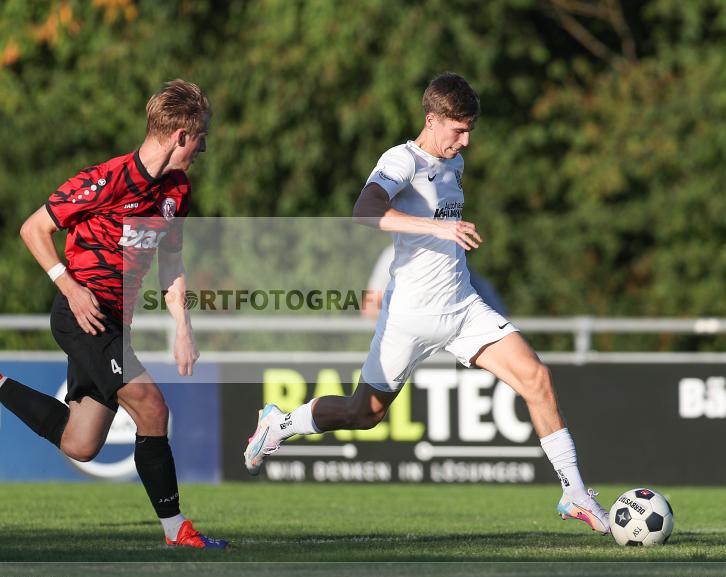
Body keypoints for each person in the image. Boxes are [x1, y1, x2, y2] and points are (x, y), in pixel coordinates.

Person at [244, 72, 610, 534]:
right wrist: (439, 228)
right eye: (458, 130)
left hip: (462, 309)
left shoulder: (453, 163)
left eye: (470, 130)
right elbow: (364, 211)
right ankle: (281, 423)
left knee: (536, 376)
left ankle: (574, 493)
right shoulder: (402, 159)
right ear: (432, 120)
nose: (466, 140)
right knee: (364, 414)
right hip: (409, 318)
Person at [0, 80, 228, 549]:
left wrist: (183, 326)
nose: (204, 147)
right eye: (202, 136)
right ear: (181, 136)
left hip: (116, 324)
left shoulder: (176, 192)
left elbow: (170, 261)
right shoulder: (107, 179)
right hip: (84, 316)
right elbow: (33, 229)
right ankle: (178, 531)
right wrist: (69, 287)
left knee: (80, 443)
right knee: (152, 408)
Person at [361, 244, 507, 319]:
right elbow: (369, 307)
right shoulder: (392, 255)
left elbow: (493, 309)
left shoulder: (451, 256)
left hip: (449, 354)